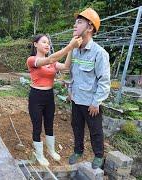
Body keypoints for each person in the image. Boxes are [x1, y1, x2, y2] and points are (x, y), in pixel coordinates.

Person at [26, 34, 82, 166]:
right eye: (44, 42)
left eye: (48, 43)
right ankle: (39, 155)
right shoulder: (32, 60)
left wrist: (72, 50)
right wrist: (70, 46)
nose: (47, 45)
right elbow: (50, 59)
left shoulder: (53, 63)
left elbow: (66, 67)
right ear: (35, 44)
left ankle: (51, 150)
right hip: (36, 97)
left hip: (49, 97)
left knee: (49, 124)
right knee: (37, 126)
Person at [68, 8, 110, 169]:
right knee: (76, 127)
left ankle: (98, 155)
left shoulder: (99, 53)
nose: (75, 25)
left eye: (79, 22)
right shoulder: (75, 51)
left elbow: (104, 81)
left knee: (95, 130)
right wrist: (70, 91)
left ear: (90, 28)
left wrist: (96, 102)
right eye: (75, 22)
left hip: (91, 103)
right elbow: (73, 73)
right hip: (76, 99)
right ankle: (78, 151)